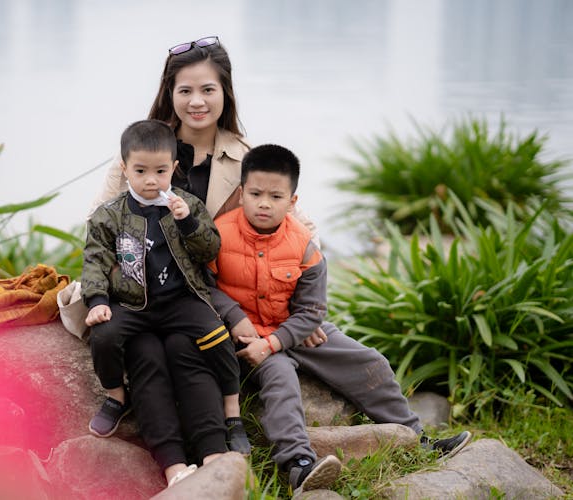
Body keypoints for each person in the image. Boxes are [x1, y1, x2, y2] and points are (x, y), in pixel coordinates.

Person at [207, 144, 473, 492]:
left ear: (293, 201)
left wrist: (274, 342)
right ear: (241, 193)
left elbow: (313, 311)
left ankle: (418, 438)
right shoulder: (218, 235)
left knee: (369, 360)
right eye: (255, 194)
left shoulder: (304, 246)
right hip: (245, 338)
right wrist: (235, 319)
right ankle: (298, 465)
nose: (264, 203)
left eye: (276, 196)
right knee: (282, 378)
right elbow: (203, 288)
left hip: (290, 333)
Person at [82, 120, 250, 484]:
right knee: (105, 335)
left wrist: (188, 223)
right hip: (133, 304)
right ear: (124, 168)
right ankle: (115, 396)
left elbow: (211, 250)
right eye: (140, 171)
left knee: (216, 336)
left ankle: (232, 412)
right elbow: (94, 259)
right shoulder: (110, 215)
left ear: (174, 168)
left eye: (160, 171)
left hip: (180, 300)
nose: (151, 180)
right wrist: (97, 300)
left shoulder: (185, 205)